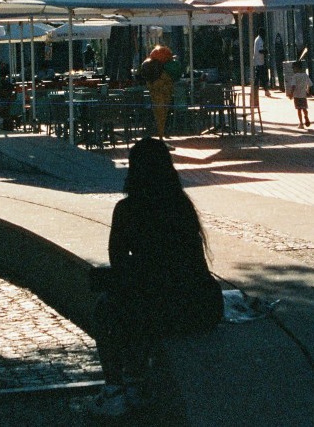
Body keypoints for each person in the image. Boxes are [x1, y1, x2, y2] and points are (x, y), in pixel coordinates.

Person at [89, 138, 223, 418]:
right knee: (140, 298)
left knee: (109, 306)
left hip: (159, 307)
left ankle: (117, 387)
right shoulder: (181, 207)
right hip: (199, 306)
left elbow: (119, 262)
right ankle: (136, 381)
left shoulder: (127, 210)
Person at [143, 45, 174, 139]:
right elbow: (168, 84)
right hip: (162, 96)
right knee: (161, 116)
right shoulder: (163, 74)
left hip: (158, 96)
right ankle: (161, 134)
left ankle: (161, 134)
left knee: (160, 116)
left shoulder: (153, 74)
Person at [287, 60, 313, 128]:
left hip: (297, 95)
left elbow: (293, 86)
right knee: (304, 108)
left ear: (297, 68)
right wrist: (307, 91)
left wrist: (291, 94)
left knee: (299, 110)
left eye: (293, 68)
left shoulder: (295, 76)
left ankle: (301, 123)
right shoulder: (305, 75)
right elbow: (310, 84)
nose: (293, 70)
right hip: (303, 95)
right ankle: (306, 116)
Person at [253, 27, 270, 97]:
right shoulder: (260, 40)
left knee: (258, 76)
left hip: (258, 60)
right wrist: (266, 51)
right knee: (262, 76)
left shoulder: (257, 39)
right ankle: (265, 90)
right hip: (260, 61)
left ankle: (255, 90)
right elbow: (260, 50)